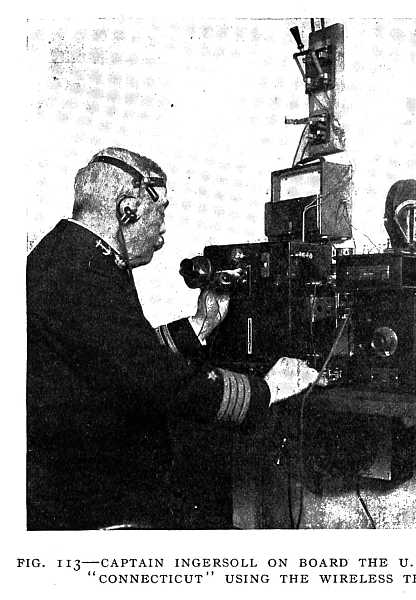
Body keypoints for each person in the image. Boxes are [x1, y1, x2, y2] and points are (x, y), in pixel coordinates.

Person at [26, 147, 318, 530]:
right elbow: (156, 380)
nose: (163, 227)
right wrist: (266, 390)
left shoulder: (68, 253)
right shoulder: (83, 270)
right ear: (128, 208)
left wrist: (199, 325)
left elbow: (122, 353)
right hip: (93, 506)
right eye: (161, 209)